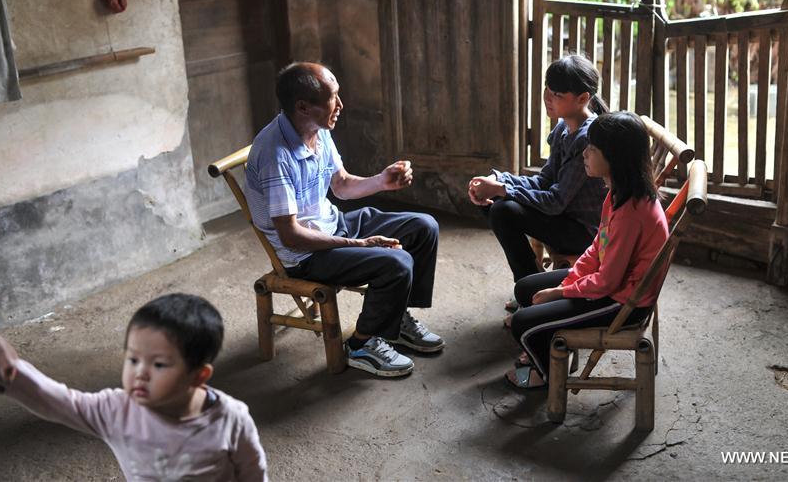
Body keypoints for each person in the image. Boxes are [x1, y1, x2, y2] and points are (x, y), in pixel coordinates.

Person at [244, 62, 443, 378]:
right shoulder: (275, 155)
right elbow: (291, 236)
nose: (340, 104)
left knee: (423, 227)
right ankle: (361, 344)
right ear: (303, 107)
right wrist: (360, 244)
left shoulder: (316, 130)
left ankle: (395, 319)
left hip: (332, 224)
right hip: (304, 255)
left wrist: (382, 181)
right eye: (332, 98)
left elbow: (341, 185)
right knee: (397, 262)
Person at [0, 295, 268, 481]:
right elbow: (58, 401)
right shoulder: (117, 410)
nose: (140, 374)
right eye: (133, 359)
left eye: (159, 364)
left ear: (198, 375)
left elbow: (254, 473)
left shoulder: (231, 418)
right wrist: (8, 375)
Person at [505, 111, 669, 389]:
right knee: (525, 289)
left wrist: (560, 292)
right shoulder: (618, 192)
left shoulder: (631, 212)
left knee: (523, 322)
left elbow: (607, 282)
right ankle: (552, 348)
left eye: (592, 148)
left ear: (615, 158)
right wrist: (570, 281)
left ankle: (545, 374)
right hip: (610, 283)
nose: (585, 153)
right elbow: (597, 247)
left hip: (622, 303)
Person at [468, 54, 608, 308]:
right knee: (493, 203)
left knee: (503, 210)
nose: (547, 97)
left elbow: (555, 202)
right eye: (547, 89)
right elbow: (544, 181)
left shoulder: (586, 139)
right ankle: (532, 285)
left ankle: (531, 291)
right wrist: (498, 180)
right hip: (564, 216)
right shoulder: (563, 127)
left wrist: (503, 189)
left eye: (557, 94)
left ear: (582, 99)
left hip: (584, 232)